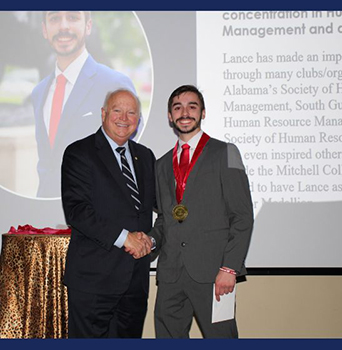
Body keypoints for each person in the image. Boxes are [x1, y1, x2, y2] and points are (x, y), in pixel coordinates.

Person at [149, 85, 254, 338]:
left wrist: (229, 268)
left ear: (203, 113)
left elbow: (242, 216)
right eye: (177, 107)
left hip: (215, 275)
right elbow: (166, 217)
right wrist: (151, 240)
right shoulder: (162, 164)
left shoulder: (225, 152)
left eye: (192, 106)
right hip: (171, 274)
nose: (185, 112)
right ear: (169, 116)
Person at [61, 88, 156, 338]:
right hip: (94, 282)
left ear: (138, 119)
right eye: (117, 110)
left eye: (131, 112)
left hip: (135, 282)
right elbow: (77, 211)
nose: (124, 117)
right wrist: (126, 238)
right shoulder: (79, 153)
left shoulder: (145, 157)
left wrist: (152, 239)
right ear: (103, 113)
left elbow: (158, 209)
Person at [31, 11, 135, 198]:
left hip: (97, 214)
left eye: (72, 17)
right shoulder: (39, 93)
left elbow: (129, 159)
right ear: (45, 30)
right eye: (54, 19)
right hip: (46, 210)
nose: (63, 26)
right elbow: (47, 163)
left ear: (88, 26)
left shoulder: (115, 85)